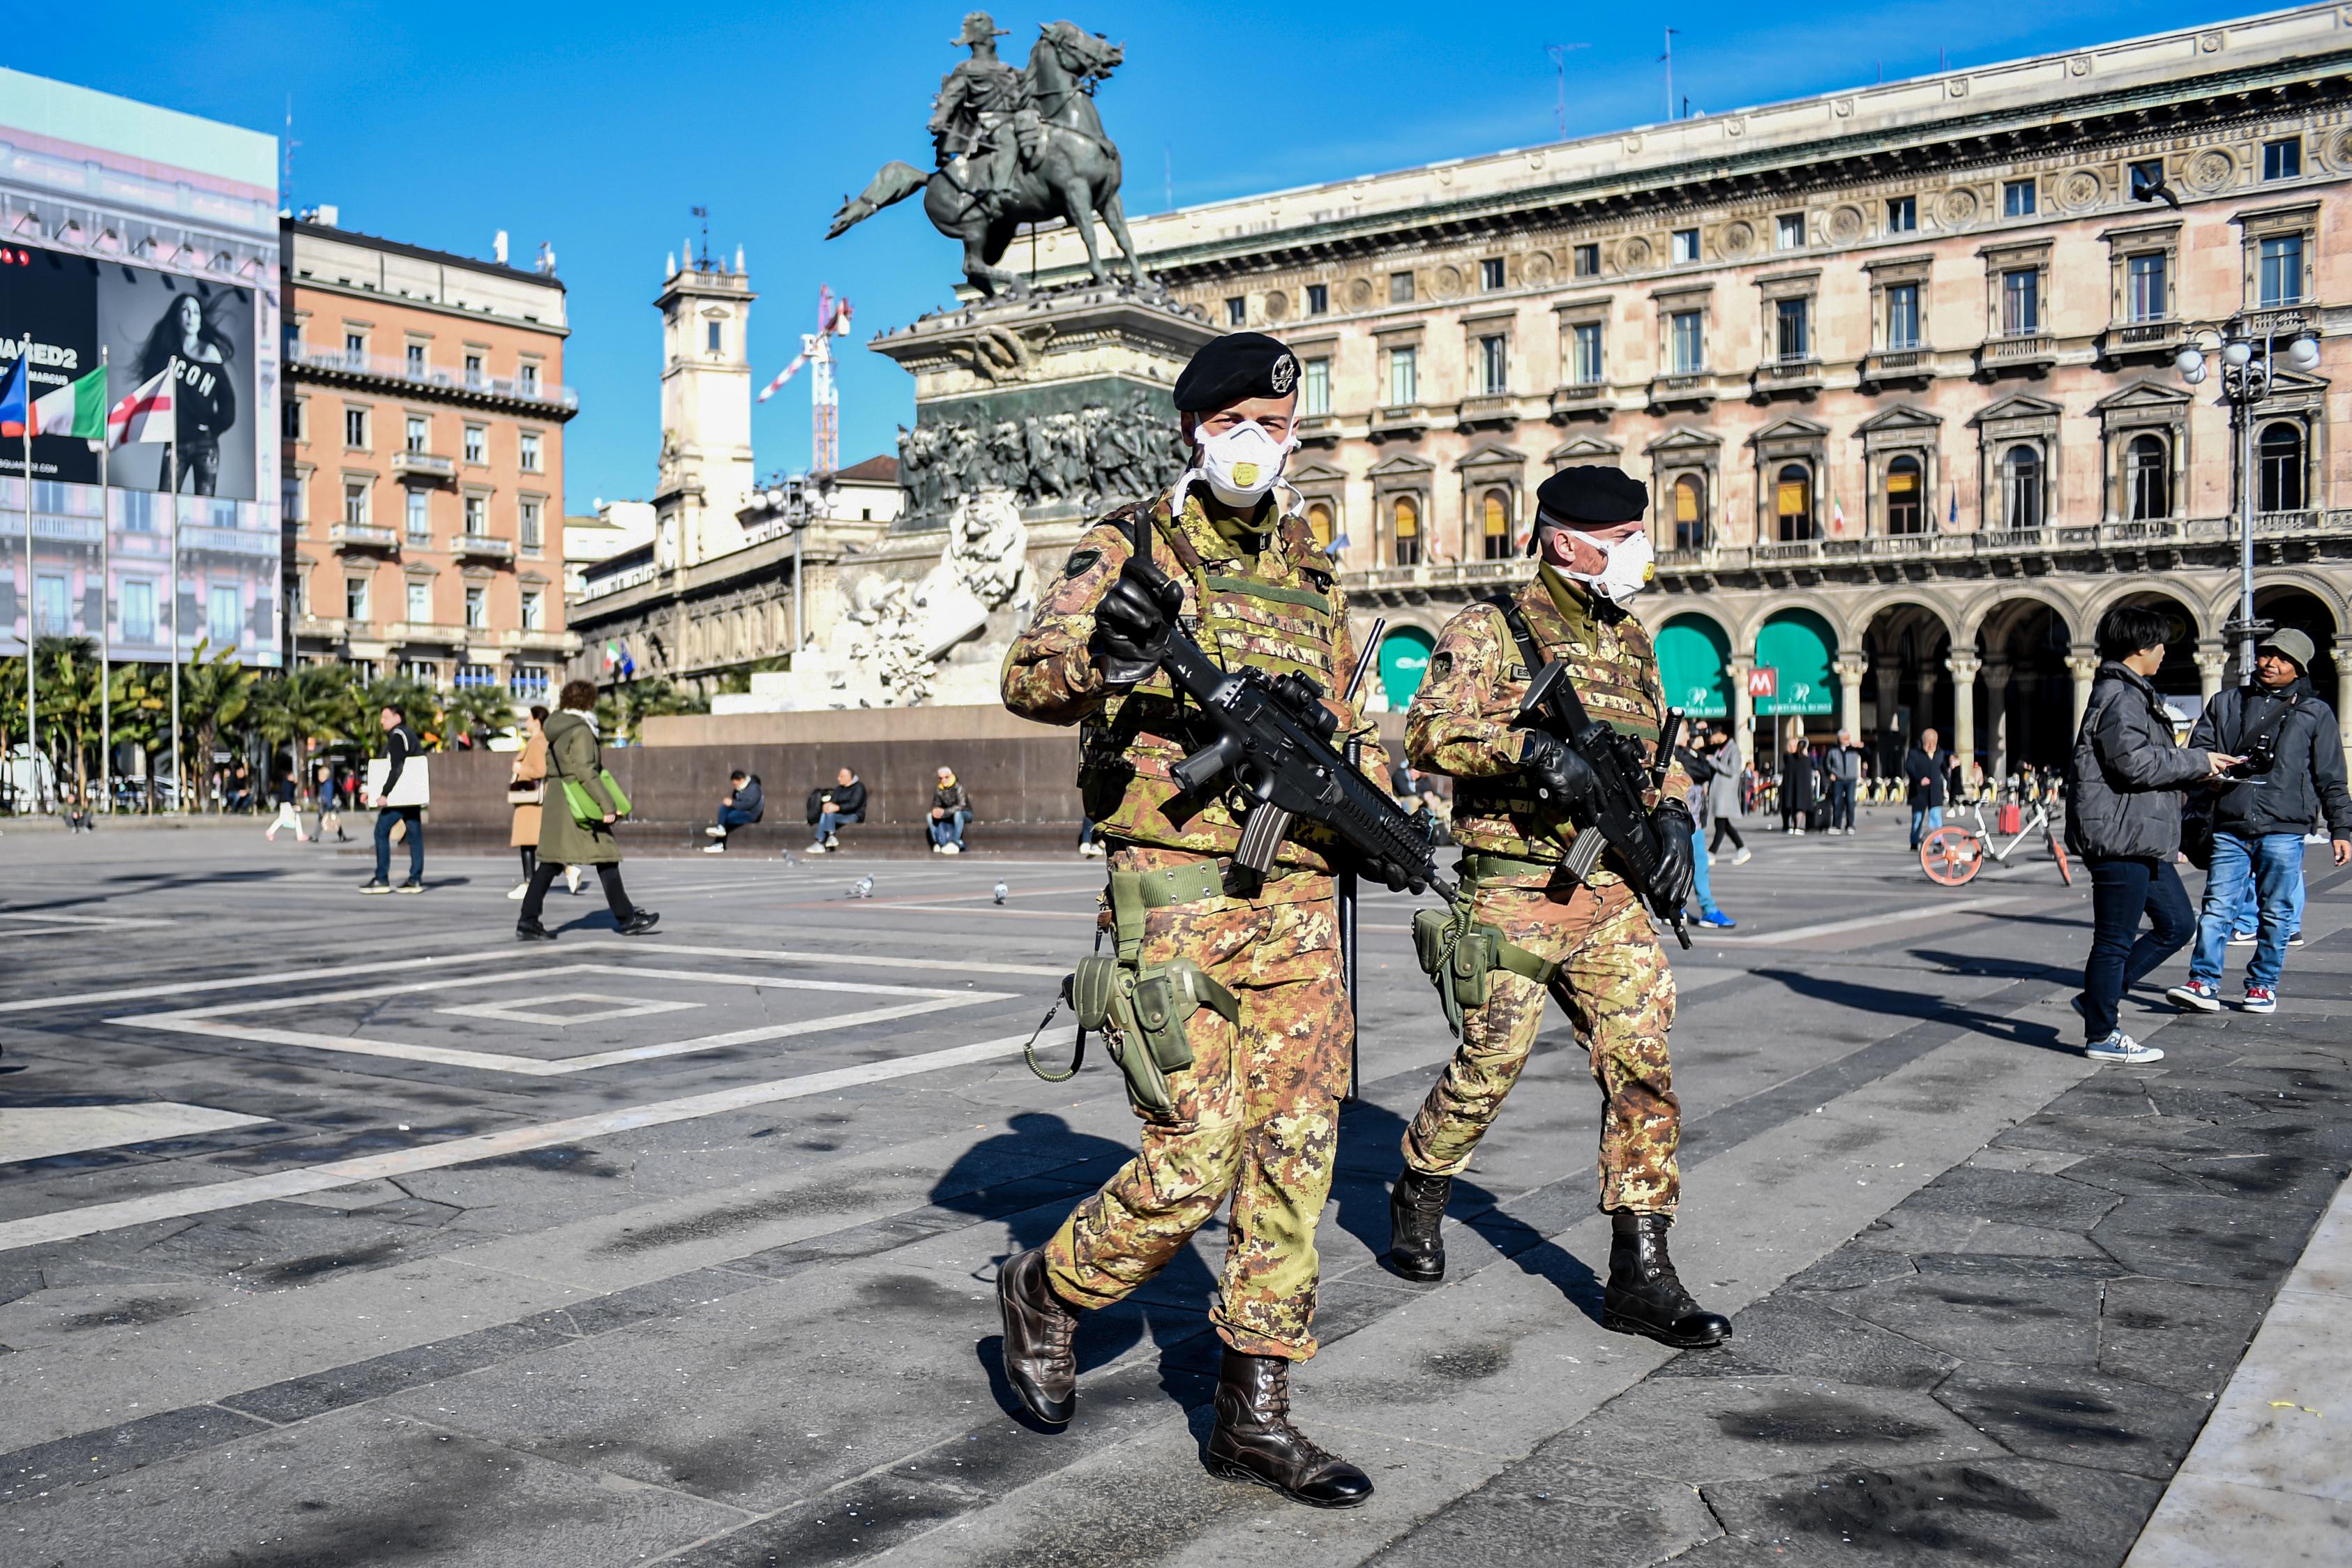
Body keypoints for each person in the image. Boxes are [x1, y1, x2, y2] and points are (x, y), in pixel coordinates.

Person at [995, 331, 1388, 1506]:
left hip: (1300, 896)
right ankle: (1048, 1289)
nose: (1263, 444)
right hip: (1176, 893)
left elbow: (1339, 717)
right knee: (1194, 1155)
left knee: (1295, 1156)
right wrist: (1100, 657)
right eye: (1239, 426)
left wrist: (1366, 796)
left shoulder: (1313, 566)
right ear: (1197, 433)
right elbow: (1029, 673)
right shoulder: (1134, 540)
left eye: (1280, 426)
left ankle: (1255, 1409)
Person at [1391, 462, 1729, 1359]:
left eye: (1634, 536)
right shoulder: (1493, 628)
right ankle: (1421, 1184)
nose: (1633, 553)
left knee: (1643, 1063)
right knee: (1490, 1064)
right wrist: (1529, 751)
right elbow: (1427, 729)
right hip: (1515, 885)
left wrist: (1666, 811)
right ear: (1562, 539)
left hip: (1610, 891)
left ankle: (1641, 1269)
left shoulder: (1631, 641)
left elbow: (1662, 752)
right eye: (1617, 540)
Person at [2065, 604, 2238, 1063]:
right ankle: (2101, 1032)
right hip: (2121, 836)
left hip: (2142, 836)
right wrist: (2198, 762)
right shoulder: (2119, 695)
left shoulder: (2133, 692)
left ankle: (2097, 999)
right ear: (2140, 647)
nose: (2164, 652)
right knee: (2114, 939)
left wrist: (2200, 775)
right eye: (2160, 644)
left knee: (2178, 924)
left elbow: (2145, 763)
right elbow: (2134, 764)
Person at [2167, 628, 2351, 1016]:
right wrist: (2211, 773)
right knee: (2217, 906)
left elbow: (2331, 775)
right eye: (2267, 655)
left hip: (2284, 827)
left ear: (2298, 668)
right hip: (2230, 824)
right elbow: (2198, 752)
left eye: (2282, 658)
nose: (2270, 663)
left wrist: (2341, 828)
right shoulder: (2227, 702)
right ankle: (2203, 981)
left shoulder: (2314, 712)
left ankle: (2263, 985)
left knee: (2277, 911)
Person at [516, 680, 658, 941]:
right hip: (577, 801)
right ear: (589, 701)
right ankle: (627, 919)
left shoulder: (556, 728)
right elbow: (585, 771)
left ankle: (527, 921)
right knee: (605, 856)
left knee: (551, 862)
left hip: (558, 799)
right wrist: (607, 805)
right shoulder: (580, 730)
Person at [361, 705, 425, 894]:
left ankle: (381, 878)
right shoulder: (408, 734)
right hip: (412, 796)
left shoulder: (397, 736)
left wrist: (384, 794)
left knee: (381, 831)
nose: (382, 721)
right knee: (414, 836)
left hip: (399, 797)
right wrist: (370, 790)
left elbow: (397, 766)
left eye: (385, 717)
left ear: (397, 718)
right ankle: (415, 879)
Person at [1679, 725, 1736, 929]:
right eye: (1686, 732)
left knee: (1697, 864)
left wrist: (1695, 751)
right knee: (1690, 864)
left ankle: (1694, 908)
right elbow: (1702, 771)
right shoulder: (1676, 755)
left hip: (1694, 819)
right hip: (1684, 819)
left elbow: (1705, 769)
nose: (1690, 736)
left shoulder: (1689, 753)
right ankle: (1702, 909)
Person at [508, 707, 549, 897]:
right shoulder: (540, 741)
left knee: (527, 842)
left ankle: (529, 883)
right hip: (531, 801)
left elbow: (540, 770)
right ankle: (567, 869)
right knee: (532, 842)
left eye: (529, 719)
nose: (526, 723)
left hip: (530, 801)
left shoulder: (537, 743)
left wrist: (520, 768)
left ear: (537, 722)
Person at [1904, 726, 1953, 851]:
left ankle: (1937, 841)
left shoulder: (1940, 753)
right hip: (1919, 792)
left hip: (1935, 791)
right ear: (1923, 741)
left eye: (1933, 742)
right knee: (1917, 818)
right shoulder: (1914, 753)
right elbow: (1909, 767)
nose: (1931, 745)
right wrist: (1920, 779)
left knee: (1936, 817)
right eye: (1928, 742)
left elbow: (1944, 770)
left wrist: (1949, 784)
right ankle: (1914, 842)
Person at [1705, 730, 1750, 864]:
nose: (1713, 737)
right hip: (1720, 792)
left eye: (1715, 734)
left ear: (1722, 734)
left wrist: (1713, 761)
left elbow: (1733, 770)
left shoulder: (1733, 749)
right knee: (1723, 824)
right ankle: (1742, 849)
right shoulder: (1722, 748)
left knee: (1721, 823)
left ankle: (1712, 853)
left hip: (1726, 792)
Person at [703, 768, 765, 854]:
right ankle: (720, 829)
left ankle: (719, 844)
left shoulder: (754, 788)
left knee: (728, 819)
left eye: (736, 784)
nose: (735, 786)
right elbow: (736, 801)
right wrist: (731, 803)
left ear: (742, 780)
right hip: (741, 811)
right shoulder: (739, 789)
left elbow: (749, 805)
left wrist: (732, 803)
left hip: (751, 815)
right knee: (724, 808)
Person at [807, 767, 866, 852]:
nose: (838, 778)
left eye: (841, 776)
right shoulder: (839, 789)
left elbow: (854, 805)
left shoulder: (859, 787)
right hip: (839, 815)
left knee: (828, 813)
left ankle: (820, 843)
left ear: (849, 777)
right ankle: (831, 837)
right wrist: (828, 805)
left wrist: (838, 807)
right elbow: (833, 802)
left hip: (854, 815)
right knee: (826, 812)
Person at [927, 766, 972, 854]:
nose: (943, 780)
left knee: (958, 814)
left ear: (951, 776)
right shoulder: (938, 789)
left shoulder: (959, 787)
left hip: (965, 813)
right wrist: (935, 811)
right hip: (948, 814)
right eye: (941, 778)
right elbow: (936, 804)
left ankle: (954, 842)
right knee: (929, 816)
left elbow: (962, 806)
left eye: (946, 777)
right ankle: (937, 843)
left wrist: (945, 812)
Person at [1824, 730, 1860, 834]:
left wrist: (1860, 746)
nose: (1847, 740)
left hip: (1851, 779)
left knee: (1850, 801)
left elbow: (1867, 753)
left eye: (1848, 738)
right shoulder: (1833, 749)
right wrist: (1830, 773)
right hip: (1838, 779)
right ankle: (1836, 825)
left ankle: (1850, 825)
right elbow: (1826, 763)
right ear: (1840, 739)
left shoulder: (1853, 749)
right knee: (1837, 801)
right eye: (1845, 738)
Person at [1778, 732, 1814, 835]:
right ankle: (1797, 826)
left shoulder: (1790, 758)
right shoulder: (1807, 760)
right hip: (1803, 789)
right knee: (1800, 808)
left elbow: (1786, 756)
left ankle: (1792, 826)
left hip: (1791, 788)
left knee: (1793, 807)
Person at [265, 769, 307, 843]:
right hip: (287, 804)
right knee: (282, 819)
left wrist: (295, 784)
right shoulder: (287, 784)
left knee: (294, 818)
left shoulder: (287, 783)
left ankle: (300, 835)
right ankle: (270, 831)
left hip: (285, 804)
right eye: (292, 775)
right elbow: (288, 796)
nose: (293, 777)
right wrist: (293, 805)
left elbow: (290, 792)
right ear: (288, 776)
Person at [313, 761, 346, 843]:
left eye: (320, 775)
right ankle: (341, 836)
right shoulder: (324, 783)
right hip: (325, 805)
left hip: (328, 806)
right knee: (326, 820)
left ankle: (315, 836)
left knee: (329, 820)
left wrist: (328, 807)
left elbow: (329, 796)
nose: (318, 777)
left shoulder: (328, 784)